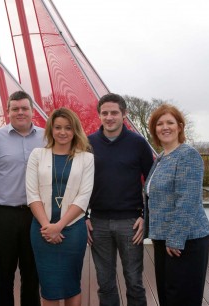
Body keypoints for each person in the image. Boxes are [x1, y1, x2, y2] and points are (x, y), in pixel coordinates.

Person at [87, 93, 154, 306]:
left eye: (114, 112)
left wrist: (146, 216)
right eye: (104, 113)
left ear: (124, 114)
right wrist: (83, 216)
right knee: (105, 283)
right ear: (99, 115)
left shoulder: (138, 143)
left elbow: (152, 184)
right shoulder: (88, 143)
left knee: (134, 281)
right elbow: (78, 184)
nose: (109, 117)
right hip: (98, 223)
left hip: (130, 223)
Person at [144, 104, 209, 306]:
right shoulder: (162, 158)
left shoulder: (187, 155)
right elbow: (153, 195)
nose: (165, 127)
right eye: (159, 123)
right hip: (164, 238)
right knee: (168, 295)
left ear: (180, 127)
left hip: (185, 240)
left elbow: (187, 200)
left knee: (182, 297)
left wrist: (175, 238)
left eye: (170, 122)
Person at [0, 91, 44, 306]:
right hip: (2, 217)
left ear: (32, 111)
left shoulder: (47, 138)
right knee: (2, 277)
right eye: (15, 108)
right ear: (8, 112)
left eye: (24, 108)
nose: (20, 112)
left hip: (37, 217)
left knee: (32, 276)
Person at [26, 108, 94, 306]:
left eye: (68, 128)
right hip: (41, 230)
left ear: (75, 131)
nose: (62, 132)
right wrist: (48, 226)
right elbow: (32, 194)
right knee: (49, 286)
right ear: (51, 130)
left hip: (73, 230)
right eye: (58, 127)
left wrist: (59, 226)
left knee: (72, 284)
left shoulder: (86, 158)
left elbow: (84, 196)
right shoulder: (37, 155)